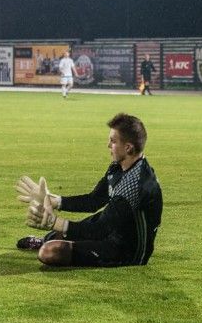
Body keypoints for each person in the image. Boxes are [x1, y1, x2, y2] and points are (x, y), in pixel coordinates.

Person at [15, 113, 163, 267]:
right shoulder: (119, 166)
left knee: (50, 251)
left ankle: (48, 243)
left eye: (113, 141)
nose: (108, 145)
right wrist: (54, 200)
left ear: (128, 148)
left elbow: (100, 229)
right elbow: (94, 200)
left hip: (126, 249)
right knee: (57, 235)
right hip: (112, 226)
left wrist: (55, 222)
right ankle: (46, 240)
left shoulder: (136, 184)